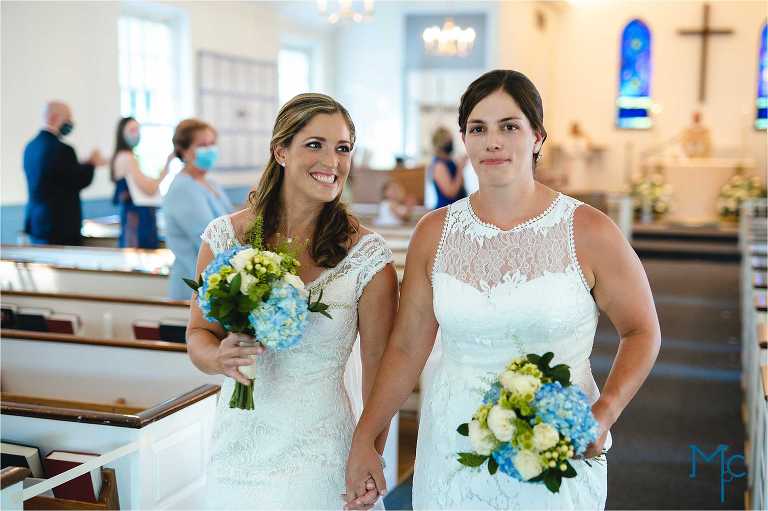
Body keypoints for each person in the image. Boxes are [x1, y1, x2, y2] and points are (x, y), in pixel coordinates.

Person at [345, 70, 661, 510]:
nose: (493, 142)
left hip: (551, 445)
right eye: (478, 129)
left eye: (509, 126)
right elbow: (406, 348)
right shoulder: (434, 233)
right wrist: (366, 438)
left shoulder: (588, 230)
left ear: (537, 136)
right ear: (464, 140)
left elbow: (642, 331)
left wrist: (603, 413)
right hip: (453, 446)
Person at [185, 93, 398, 509]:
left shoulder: (367, 256)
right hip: (240, 447)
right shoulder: (226, 238)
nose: (332, 161)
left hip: (321, 453)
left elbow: (379, 374)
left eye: (343, 148)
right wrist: (219, 357)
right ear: (281, 151)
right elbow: (198, 334)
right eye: (315, 145)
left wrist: (369, 451)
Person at [162, 119, 234, 300]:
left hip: (215, 280)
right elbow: (211, 237)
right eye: (202, 145)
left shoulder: (210, 183)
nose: (210, 149)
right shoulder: (183, 188)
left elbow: (232, 220)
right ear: (184, 151)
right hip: (195, 285)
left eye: (212, 144)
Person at [23, 101, 106, 245]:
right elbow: (78, 180)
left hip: (37, 224)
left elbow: (56, 177)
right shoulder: (63, 150)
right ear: (54, 118)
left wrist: (83, 165)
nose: (70, 123)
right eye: (68, 118)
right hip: (60, 228)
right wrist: (92, 164)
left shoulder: (30, 147)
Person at [110, 117, 170, 248]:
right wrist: (165, 170)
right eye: (132, 130)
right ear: (122, 133)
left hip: (135, 218)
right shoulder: (127, 158)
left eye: (138, 129)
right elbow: (149, 189)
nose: (136, 133)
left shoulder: (122, 156)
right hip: (138, 220)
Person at [426, 126, 467, 209]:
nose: (451, 143)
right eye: (448, 141)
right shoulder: (439, 165)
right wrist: (460, 169)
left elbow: (460, 185)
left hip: (458, 208)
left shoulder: (450, 161)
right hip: (446, 210)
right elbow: (451, 193)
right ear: (440, 144)